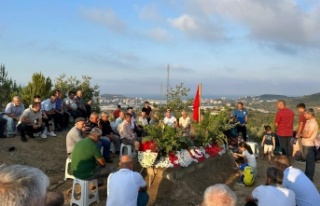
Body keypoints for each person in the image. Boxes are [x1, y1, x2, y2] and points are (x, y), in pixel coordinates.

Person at [301, 108, 318, 180]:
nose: (304, 115)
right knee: (308, 161)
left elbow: (307, 135)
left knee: (310, 161)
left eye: (305, 114)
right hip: (306, 144)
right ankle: (307, 175)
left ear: (310, 114)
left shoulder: (312, 123)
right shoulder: (309, 121)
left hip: (309, 144)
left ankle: (309, 177)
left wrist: (300, 135)